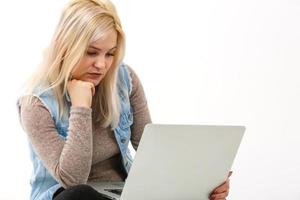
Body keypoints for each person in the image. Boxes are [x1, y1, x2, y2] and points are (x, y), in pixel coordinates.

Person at [17, 0, 231, 199]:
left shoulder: (124, 80)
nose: (101, 65)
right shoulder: (36, 103)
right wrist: (81, 107)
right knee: (80, 195)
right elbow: (73, 180)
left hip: (120, 193)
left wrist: (200, 182)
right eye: (92, 52)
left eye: (110, 54)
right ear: (66, 47)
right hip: (69, 195)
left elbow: (151, 149)